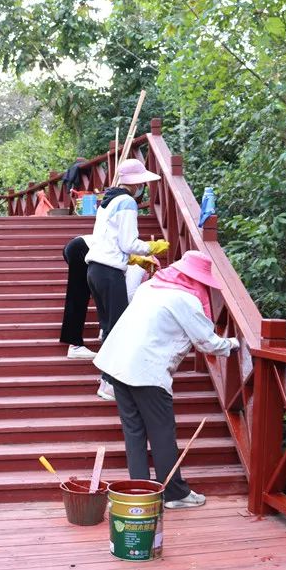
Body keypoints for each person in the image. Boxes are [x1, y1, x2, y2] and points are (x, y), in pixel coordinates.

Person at [94, 250, 239, 510]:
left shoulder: (150, 286)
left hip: (117, 364)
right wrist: (235, 344)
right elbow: (207, 342)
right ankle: (174, 494)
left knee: (134, 432)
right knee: (162, 433)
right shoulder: (185, 299)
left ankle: (140, 491)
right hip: (146, 371)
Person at [85, 158, 161, 400]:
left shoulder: (108, 200)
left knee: (109, 327)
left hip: (95, 270)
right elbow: (128, 243)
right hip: (109, 272)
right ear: (137, 183)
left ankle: (107, 379)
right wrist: (151, 247)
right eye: (143, 184)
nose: (144, 188)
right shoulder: (127, 202)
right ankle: (108, 383)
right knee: (119, 329)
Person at [60, 236, 168, 359]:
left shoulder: (134, 253)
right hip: (82, 248)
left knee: (93, 292)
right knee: (79, 296)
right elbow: (129, 294)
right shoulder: (140, 264)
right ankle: (75, 345)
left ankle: (90, 337)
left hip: (80, 247)